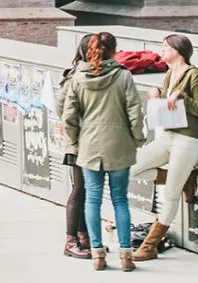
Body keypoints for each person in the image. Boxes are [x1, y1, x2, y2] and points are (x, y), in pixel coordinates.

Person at [62, 31, 146, 272]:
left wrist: (75, 140)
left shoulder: (78, 78)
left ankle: (97, 254)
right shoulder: (124, 76)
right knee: (120, 200)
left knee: (93, 199)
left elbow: (69, 116)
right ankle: (126, 255)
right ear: (114, 51)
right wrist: (137, 138)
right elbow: (135, 112)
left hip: (89, 145)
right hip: (120, 145)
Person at [130, 34, 198, 262]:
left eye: (165, 47)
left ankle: (150, 245)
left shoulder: (194, 74)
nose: (161, 51)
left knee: (171, 194)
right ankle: (182, 178)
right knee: (131, 168)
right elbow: (167, 105)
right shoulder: (168, 74)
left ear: (178, 50)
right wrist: (157, 95)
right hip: (168, 135)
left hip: (188, 139)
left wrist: (182, 96)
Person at [60, 34, 94, 259]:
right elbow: (62, 107)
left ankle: (83, 236)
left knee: (84, 189)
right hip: (78, 141)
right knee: (80, 189)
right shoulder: (75, 76)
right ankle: (70, 240)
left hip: (84, 139)